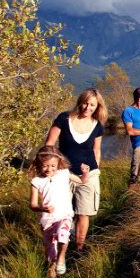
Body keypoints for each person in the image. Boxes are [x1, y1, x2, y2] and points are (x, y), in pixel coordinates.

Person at [45, 88, 107, 253]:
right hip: (64, 174)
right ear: (80, 101)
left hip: (89, 175)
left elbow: (97, 150)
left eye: (92, 105)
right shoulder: (64, 119)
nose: (87, 108)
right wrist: (52, 169)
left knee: (83, 213)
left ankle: (78, 249)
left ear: (97, 106)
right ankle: (57, 251)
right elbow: (49, 145)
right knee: (61, 214)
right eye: (85, 103)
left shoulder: (97, 126)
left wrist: (96, 169)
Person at [29, 146, 89, 278]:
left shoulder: (64, 173)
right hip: (48, 221)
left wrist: (85, 172)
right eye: (45, 166)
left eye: (53, 166)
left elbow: (82, 181)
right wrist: (41, 208)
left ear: (59, 163)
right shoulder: (36, 181)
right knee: (50, 254)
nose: (49, 169)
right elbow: (32, 205)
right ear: (39, 164)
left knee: (63, 234)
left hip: (65, 215)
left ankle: (62, 258)